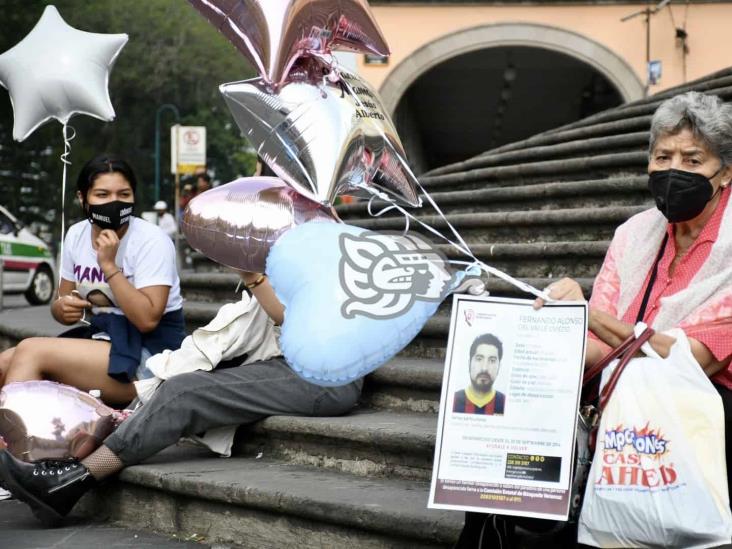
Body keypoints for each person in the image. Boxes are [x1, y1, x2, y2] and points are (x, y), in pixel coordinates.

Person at [456, 91, 732, 548]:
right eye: (662, 156)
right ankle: (492, 534)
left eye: (692, 158)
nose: (673, 170)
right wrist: (548, 335)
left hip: (707, 402)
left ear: (725, 173)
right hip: (620, 387)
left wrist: (591, 315)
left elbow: (697, 358)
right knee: (504, 410)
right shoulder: (634, 234)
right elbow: (599, 346)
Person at [0, 269, 363, 526]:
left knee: (184, 392)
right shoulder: (298, 250)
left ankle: (69, 482)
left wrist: (255, 277)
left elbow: (296, 322)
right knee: (185, 384)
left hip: (326, 376)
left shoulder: (331, 251)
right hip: (288, 363)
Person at [0, 154, 185, 407]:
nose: (114, 203)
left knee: (31, 351)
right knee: (4, 363)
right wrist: (62, 308)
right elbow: (62, 302)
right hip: (102, 340)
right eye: (102, 195)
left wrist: (109, 266)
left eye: (123, 194)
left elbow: (147, 320)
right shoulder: (76, 235)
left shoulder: (151, 240)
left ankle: (12, 443)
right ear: (82, 198)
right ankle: (28, 438)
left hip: (150, 357)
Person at [453, 333, 506, 415]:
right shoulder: (453, 401)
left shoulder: (505, 403)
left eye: (492, 361)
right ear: (469, 363)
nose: (484, 368)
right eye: (479, 359)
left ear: (499, 366)